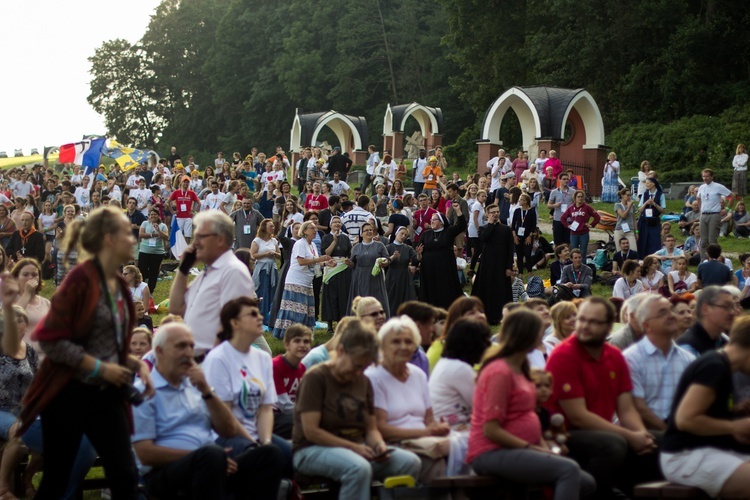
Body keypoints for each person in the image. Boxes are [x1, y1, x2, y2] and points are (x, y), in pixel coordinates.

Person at [18, 207, 154, 499]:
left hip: (106, 396)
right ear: (108, 239)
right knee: (57, 481)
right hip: (68, 395)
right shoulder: (80, 281)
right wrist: (100, 368)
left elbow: (104, 343)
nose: (133, 239)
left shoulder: (118, 285)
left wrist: (133, 362)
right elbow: (51, 340)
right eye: (126, 233)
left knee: (125, 476)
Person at [133, 322, 284, 500]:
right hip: (165, 473)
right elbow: (145, 454)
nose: (189, 353)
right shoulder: (144, 391)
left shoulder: (194, 386)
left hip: (211, 463)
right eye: (181, 346)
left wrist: (207, 391)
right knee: (211, 456)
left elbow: (227, 429)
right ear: (159, 351)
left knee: (269, 455)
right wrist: (203, 458)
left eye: (191, 346)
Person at [467, 309, 596, 499]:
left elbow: (529, 416)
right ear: (526, 335)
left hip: (522, 447)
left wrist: (542, 446)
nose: (542, 337)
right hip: (491, 450)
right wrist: (531, 448)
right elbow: (491, 429)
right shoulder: (499, 371)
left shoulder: (521, 368)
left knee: (586, 482)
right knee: (568, 470)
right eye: (539, 332)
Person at [293, 319, 421, 500]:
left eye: (364, 367)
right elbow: (311, 431)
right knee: (358, 468)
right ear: (341, 351)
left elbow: (371, 428)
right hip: (311, 450)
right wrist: (354, 447)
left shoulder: (363, 381)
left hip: (356, 449)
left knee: (409, 462)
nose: (359, 372)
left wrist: (379, 445)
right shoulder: (316, 378)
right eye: (357, 365)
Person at [545, 297, 660, 498]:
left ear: (609, 327)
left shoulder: (614, 356)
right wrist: (630, 436)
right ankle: (591, 492)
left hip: (599, 431)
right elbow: (578, 417)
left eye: (593, 322)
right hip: (563, 435)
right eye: (581, 319)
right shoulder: (564, 355)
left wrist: (641, 434)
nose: (584, 326)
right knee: (613, 444)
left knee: (659, 441)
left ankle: (631, 492)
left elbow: (626, 408)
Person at [661, 315, 750, 497]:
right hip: (684, 456)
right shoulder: (714, 366)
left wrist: (735, 412)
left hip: (705, 451)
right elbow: (686, 419)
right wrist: (735, 426)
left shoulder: (723, 366)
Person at [366, 316, 451, 480]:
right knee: (433, 462)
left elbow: (429, 419)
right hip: (392, 445)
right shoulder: (374, 377)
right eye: (396, 342)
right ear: (382, 346)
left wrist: (438, 427)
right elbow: (380, 428)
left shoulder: (417, 375)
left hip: (423, 441)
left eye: (408, 342)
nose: (403, 346)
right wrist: (424, 432)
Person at [168, 211, 259, 359]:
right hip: (197, 361)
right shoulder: (208, 273)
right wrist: (184, 268)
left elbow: (233, 325)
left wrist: (211, 362)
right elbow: (176, 308)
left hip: (212, 362)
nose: (194, 243)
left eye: (200, 237)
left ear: (220, 239)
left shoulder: (233, 271)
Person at [622, 295, 695, 432]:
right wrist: (669, 432)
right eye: (662, 313)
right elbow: (638, 408)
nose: (671, 316)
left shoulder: (688, 359)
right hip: (644, 432)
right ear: (646, 325)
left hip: (681, 429)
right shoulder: (631, 359)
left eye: (671, 311)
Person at [272, 221, 333, 339]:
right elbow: (301, 261)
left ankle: (304, 335)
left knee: (307, 310)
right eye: (312, 228)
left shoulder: (313, 245)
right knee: (296, 311)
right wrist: (319, 259)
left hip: (307, 282)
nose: (315, 230)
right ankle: (292, 335)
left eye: (315, 228)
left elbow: (314, 263)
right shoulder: (300, 244)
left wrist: (326, 263)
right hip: (296, 281)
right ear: (304, 231)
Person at [429, 318, 490, 426]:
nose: (489, 345)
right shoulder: (459, 369)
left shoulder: (447, 363)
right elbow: (484, 406)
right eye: (485, 340)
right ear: (473, 344)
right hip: (453, 431)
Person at [418, 205, 467, 310]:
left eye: (434, 219)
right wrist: (417, 256)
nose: (431, 221)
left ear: (441, 222)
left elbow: (462, 225)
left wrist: (458, 210)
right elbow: (419, 249)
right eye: (431, 220)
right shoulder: (426, 234)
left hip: (444, 267)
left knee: (444, 288)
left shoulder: (448, 231)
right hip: (429, 268)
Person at [471, 204, 513, 324]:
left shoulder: (505, 229)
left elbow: (510, 249)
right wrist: (490, 224)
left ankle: (501, 315)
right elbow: (484, 238)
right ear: (487, 214)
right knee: (487, 288)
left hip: (501, 263)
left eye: (497, 212)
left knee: (501, 289)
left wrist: (509, 266)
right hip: (487, 264)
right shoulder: (483, 228)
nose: (495, 214)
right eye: (492, 212)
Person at [425, 296, 486, 372]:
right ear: (457, 319)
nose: (480, 316)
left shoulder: (490, 346)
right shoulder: (442, 347)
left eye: (481, 311)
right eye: (471, 313)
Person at [272, 324, 311, 439]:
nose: (302, 345)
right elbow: (282, 403)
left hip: (292, 412)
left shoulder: (302, 368)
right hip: (274, 415)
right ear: (287, 345)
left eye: (306, 341)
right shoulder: (275, 366)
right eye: (297, 341)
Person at [676, 285, 738, 357]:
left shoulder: (725, 341)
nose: (732, 312)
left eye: (733, 307)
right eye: (726, 306)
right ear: (705, 309)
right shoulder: (687, 348)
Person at [346, 221, 390, 317]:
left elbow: (388, 259)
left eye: (370, 230)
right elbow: (353, 264)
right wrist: (349, 263)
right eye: (366, 230)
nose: (369, 232)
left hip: (374, 277)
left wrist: (384, 262)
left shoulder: (379, 245)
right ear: (361, 234)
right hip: (360, 277)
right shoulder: (356, 247)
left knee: (376, 299)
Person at [697, 168, 734, 261]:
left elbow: (732, 195)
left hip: (714, 214)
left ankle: (714, 260)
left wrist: (727, 209)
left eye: (707, 176)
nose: (705, 178)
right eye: (703, 176)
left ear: (712, 177)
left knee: (712, 240)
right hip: (704, 215)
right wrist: (700, 209)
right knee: (703, 240)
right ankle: (703, 260)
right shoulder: (701, 187)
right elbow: (698, 198)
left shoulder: (718, 186)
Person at [250, 219, 280, 325]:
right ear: (264, 228)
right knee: (263, 290)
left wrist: (275, 254)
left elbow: (280, 255)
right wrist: (266, 254)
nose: (273, 228)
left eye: (273, 226)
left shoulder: (274, 241)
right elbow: (253, 254)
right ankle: (260, 314)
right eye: (270, 226)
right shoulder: (257, 241)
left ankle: (270, 315)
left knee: (272, 290)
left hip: (272, 268)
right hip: (262, 268)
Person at [385, 227, 419, 317]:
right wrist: (392, 257)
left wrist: (419, 254)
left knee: (407, 299)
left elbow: (417, 259)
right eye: (402, 233)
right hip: (392, 275)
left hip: (405, 276)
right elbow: (384, 261)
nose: (403, 236)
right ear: (396, 233)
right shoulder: (388, 247)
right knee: (392, 299)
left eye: (405, 235)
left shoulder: (408, 248)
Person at [137, 209, 169, 294]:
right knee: (142, 271)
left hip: (157, 252)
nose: (153, 216)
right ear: (149, 216)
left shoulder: (163, 226)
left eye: (155, 214)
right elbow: (141, 235)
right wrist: (152, 234)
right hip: (144, 251)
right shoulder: (145, 223)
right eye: (151, 214)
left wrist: (158, 230)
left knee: (154, 272)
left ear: (158, 215)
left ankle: (150, 291)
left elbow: (166, 237)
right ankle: (140, 290)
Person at [560, 190, 600, 256]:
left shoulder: (587, 207)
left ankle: (583, 265)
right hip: (574, 233)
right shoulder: (571, 208)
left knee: (583, 252)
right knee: (574, 252)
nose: (580, 198)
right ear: (575, 198)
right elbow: (562, 218)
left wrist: (591, 225)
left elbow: (597, 217)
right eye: (578, 197)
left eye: (582, 197)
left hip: (584, 233)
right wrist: (568, 225)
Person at [637, 177, 666, 258]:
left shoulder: (660, 195)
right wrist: (646, 203)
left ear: (653, 184)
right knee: (643, 239)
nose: (647, 185)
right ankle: (642, 257)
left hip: (654, 220)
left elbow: (663, 210)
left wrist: (654, 204)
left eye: (648, 183)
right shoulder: (645, 194)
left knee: (654, 240)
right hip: (644, 220)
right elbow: (640, 209)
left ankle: (655, 258)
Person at [511, 193, 537, 275]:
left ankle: (529, 272)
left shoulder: (532, 212)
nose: (519, 201)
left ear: (526, 201)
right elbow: (513, 224)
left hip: (527, 236)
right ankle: (520, 273)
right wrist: (514, 236)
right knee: (519, 255)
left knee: (527, 254)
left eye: (521, 200)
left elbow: (533, 225)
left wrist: (530, 236)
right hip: (518, 236)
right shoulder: (517, 211)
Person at [169, 176, 200, 242]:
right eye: (184, 182)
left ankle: (187, 250)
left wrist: (195, 213)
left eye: (187, 182)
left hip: (188, 217)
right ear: (181, 182)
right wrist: (172, 211)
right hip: (179, 216)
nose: (186, 183)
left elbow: (199, 203)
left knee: (187, 236)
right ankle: (180, 250)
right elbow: (167, 202)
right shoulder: (176, 192)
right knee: (179, 235)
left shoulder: (192, 193)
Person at [547, 172, 575, 246]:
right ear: (559, 180)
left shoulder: (573, 192)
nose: (566, 181)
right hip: (558, 219)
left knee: (568, 241)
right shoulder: (554, 192)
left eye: (567, 179)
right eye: (564, 179)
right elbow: (548, 205)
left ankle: (567, 256)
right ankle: (558, 256)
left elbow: (577, 204)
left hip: (569, 219)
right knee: (558, 242)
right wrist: (555, 205)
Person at [614, 188, 637, 252]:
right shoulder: (617, 205)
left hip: (630, 230)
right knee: (620, 251)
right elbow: (623, 216)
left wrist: (636, 232)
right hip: (619, 230)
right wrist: (629, 206)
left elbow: (634, 220)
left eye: (630, 195)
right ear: (622, 196)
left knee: (633, 250)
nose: (629, 197)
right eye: (628, 195)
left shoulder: (633, 206)